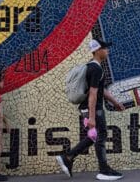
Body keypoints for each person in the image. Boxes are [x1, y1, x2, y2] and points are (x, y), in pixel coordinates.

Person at [56, 39, 125, 181]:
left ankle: (68, 157)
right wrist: (92, 117)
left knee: (94, 136)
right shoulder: (96, 69)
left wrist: (115, 102)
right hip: (93, 108)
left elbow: (101, 90)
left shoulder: (91, 67)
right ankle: (103, 170)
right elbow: (93, 94)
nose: (107, 51)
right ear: (98, 50)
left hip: (87, 108)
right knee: (100, 135)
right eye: (105, 48)